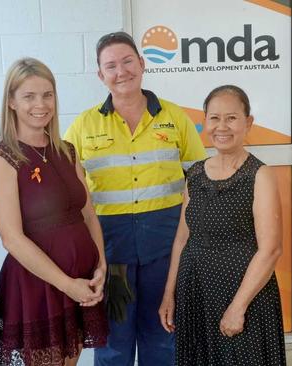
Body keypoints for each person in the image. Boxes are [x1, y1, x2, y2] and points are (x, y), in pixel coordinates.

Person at [64, 31, 206, 366]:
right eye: (110, 66)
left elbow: (198, 182)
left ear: (142, 64)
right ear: (101, 75)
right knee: (114, 342)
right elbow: (67, 190)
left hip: (165, 249)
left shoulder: (175, 118)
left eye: (128, 61)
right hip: (112, 257)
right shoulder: (83, 126)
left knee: (164, 335)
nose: (121, 71)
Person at [0, 57, 109, 366]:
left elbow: (88, 214)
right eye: (29, 96)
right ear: (11, 101)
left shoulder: (67, 150)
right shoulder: (3, 159)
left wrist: (101, 267)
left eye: (47, 94)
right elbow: (12, 240)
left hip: (82, 282)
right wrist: (67, 284)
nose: (41, 104)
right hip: (38, 288)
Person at [158, 85, 287, 365]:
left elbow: (271, 250)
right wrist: (170, 294)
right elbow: (182, 239)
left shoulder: (259, 175)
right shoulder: (194, 173)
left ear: (248, 123)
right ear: (205, 122)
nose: (222, 126)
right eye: (214, 118)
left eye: (231, 118)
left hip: (243, 296)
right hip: (196, 293)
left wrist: (238, 307)